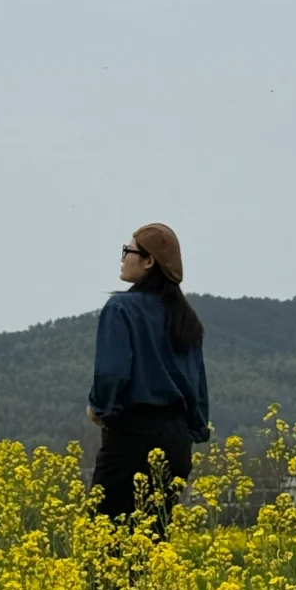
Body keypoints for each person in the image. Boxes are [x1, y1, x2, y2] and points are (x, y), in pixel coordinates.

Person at [86, 223, 209, 531]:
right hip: (177, 445)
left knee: (107, 545)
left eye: (127, 251)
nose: (122, 257)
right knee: (152, 549)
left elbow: (110, 372)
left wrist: (99, 409)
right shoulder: (188, 319)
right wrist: (193, 430)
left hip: (132, 438)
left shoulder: (120, 308)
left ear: (148, 261)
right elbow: (197, 386)